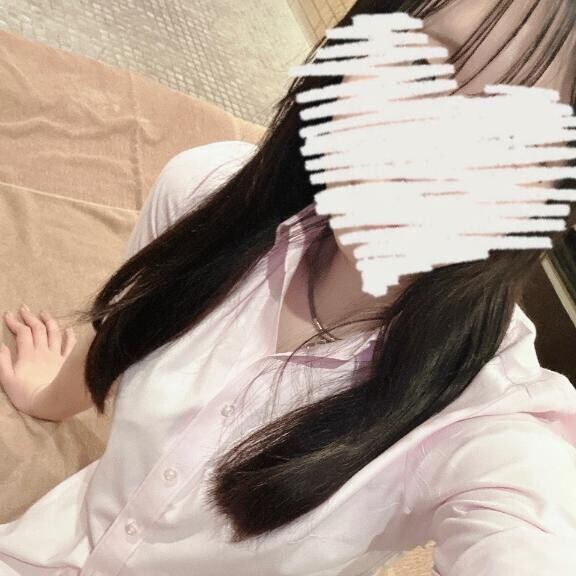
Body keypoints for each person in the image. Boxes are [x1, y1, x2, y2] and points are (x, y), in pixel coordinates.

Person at [0, 0, 575, 574]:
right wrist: (47, 394)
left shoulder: (493, 421)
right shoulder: (204, 194)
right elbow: (137, 324)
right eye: (420, 67)